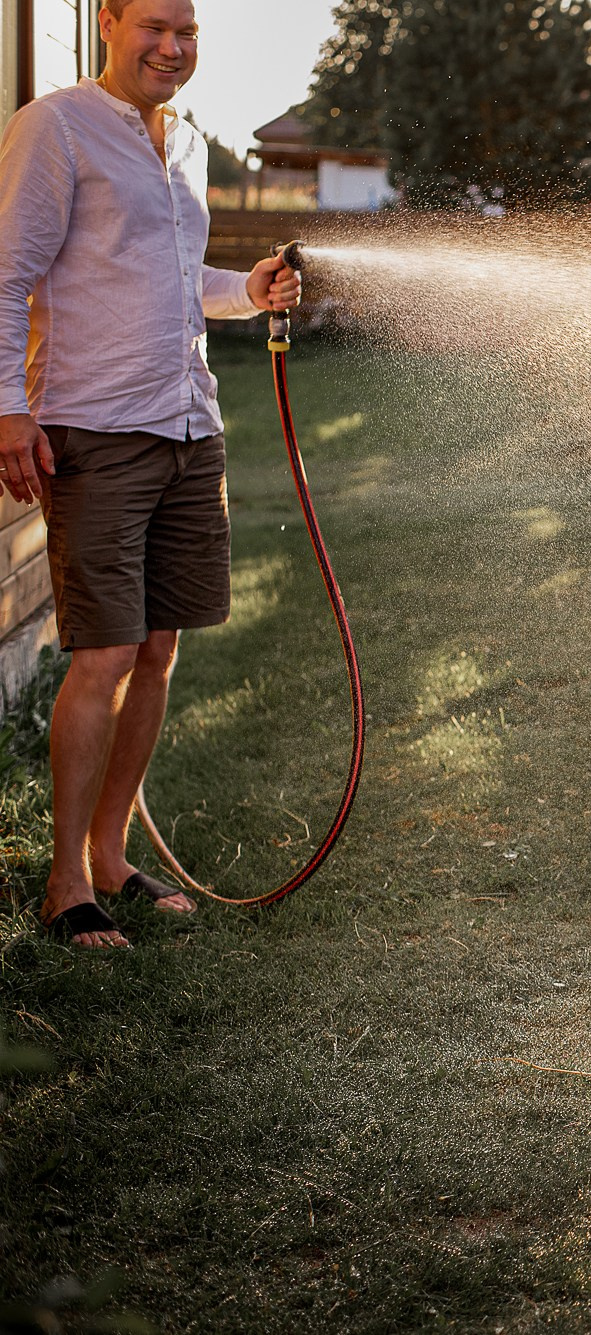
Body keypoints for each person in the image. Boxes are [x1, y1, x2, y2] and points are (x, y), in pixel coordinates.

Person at [0, 0, 302, 948]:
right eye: (154, 27)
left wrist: (245, 290)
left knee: (159, 649)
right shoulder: (55, 127)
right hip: (95, 426)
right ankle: (64, 886)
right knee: (104, 654)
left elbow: (175, 280)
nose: (172, 48)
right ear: (109, 23)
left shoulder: (188, 145)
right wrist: (8, 408)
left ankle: (109, 853)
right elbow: (7, 277)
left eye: (189, 33)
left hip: (188, 425)